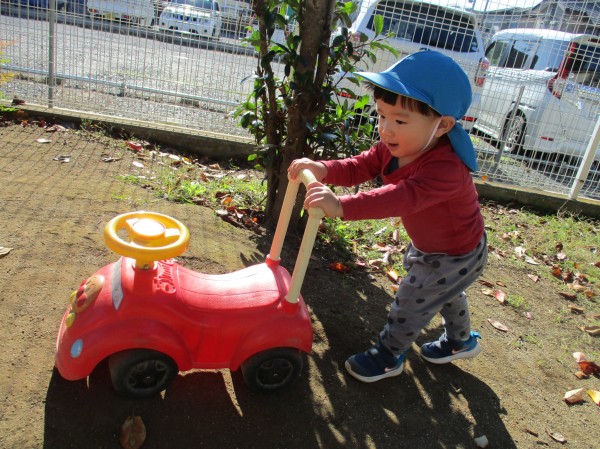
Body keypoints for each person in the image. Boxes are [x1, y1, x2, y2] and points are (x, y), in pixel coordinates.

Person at [288, 51, 487, 383]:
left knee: (412, 300)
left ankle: (388, 356)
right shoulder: (396, 148)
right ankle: (460, 340)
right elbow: (360, 165)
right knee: (445, 292)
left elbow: (399, 198)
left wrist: (342, 206)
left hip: (457, 253)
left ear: (442, 125)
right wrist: (324, 169)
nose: (386, 130)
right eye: (382, 116)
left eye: (400, 121)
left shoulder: (447, 169)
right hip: (433, 245)